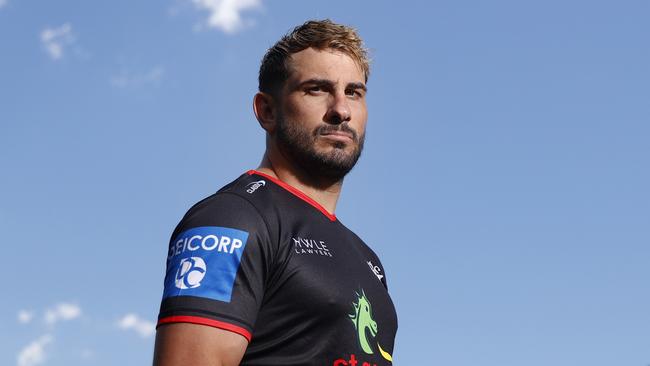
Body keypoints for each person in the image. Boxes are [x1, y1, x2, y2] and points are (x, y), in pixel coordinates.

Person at [153, 19, 397, 366]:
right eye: (316, 89)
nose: (341, 110)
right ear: (266, 110)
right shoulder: (232, 220)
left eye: (353, 92)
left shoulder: (369, 261)